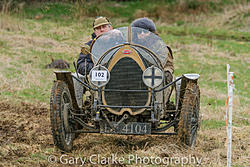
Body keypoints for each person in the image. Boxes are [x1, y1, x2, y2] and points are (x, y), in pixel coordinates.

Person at [131, 17, 174, 84]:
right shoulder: (130, 46)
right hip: (133, 78)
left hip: (152, 79)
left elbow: (168, 64)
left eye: (145, 31)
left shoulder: (160, 46)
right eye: (139, 32)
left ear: (151, 32)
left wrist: (167, 72)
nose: (142, 33)